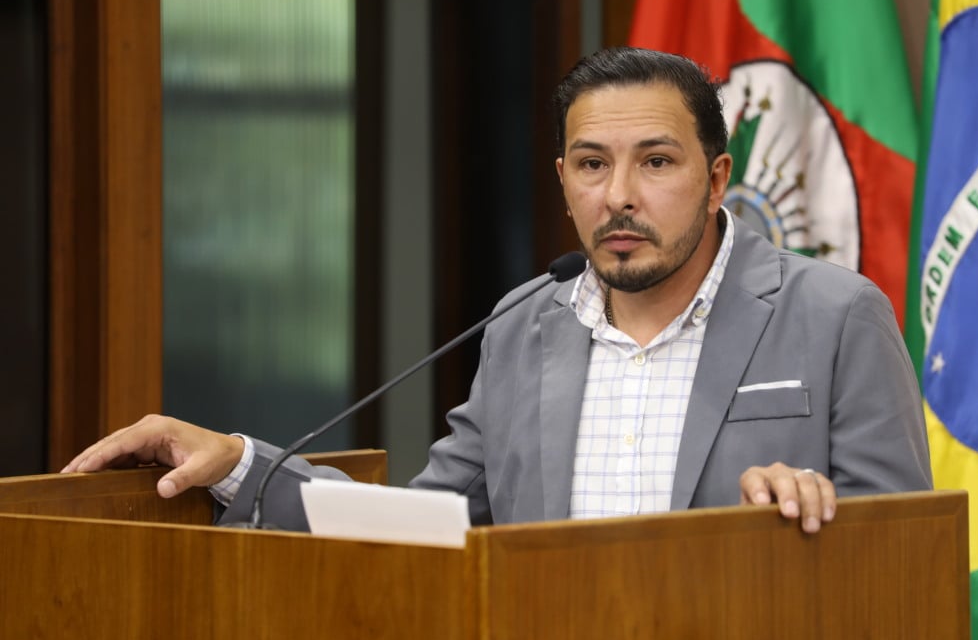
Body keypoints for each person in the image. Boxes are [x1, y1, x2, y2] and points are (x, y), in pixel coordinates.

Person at [63, 47, 932, 534]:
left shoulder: (834, 315)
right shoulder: (526, 326)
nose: (618, 194)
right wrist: (241, 466)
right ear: (563, 182)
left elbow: (904, 553)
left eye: (656, 162)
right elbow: (424, 526)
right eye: (592, 165)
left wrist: (815, 513)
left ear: (715, 180)